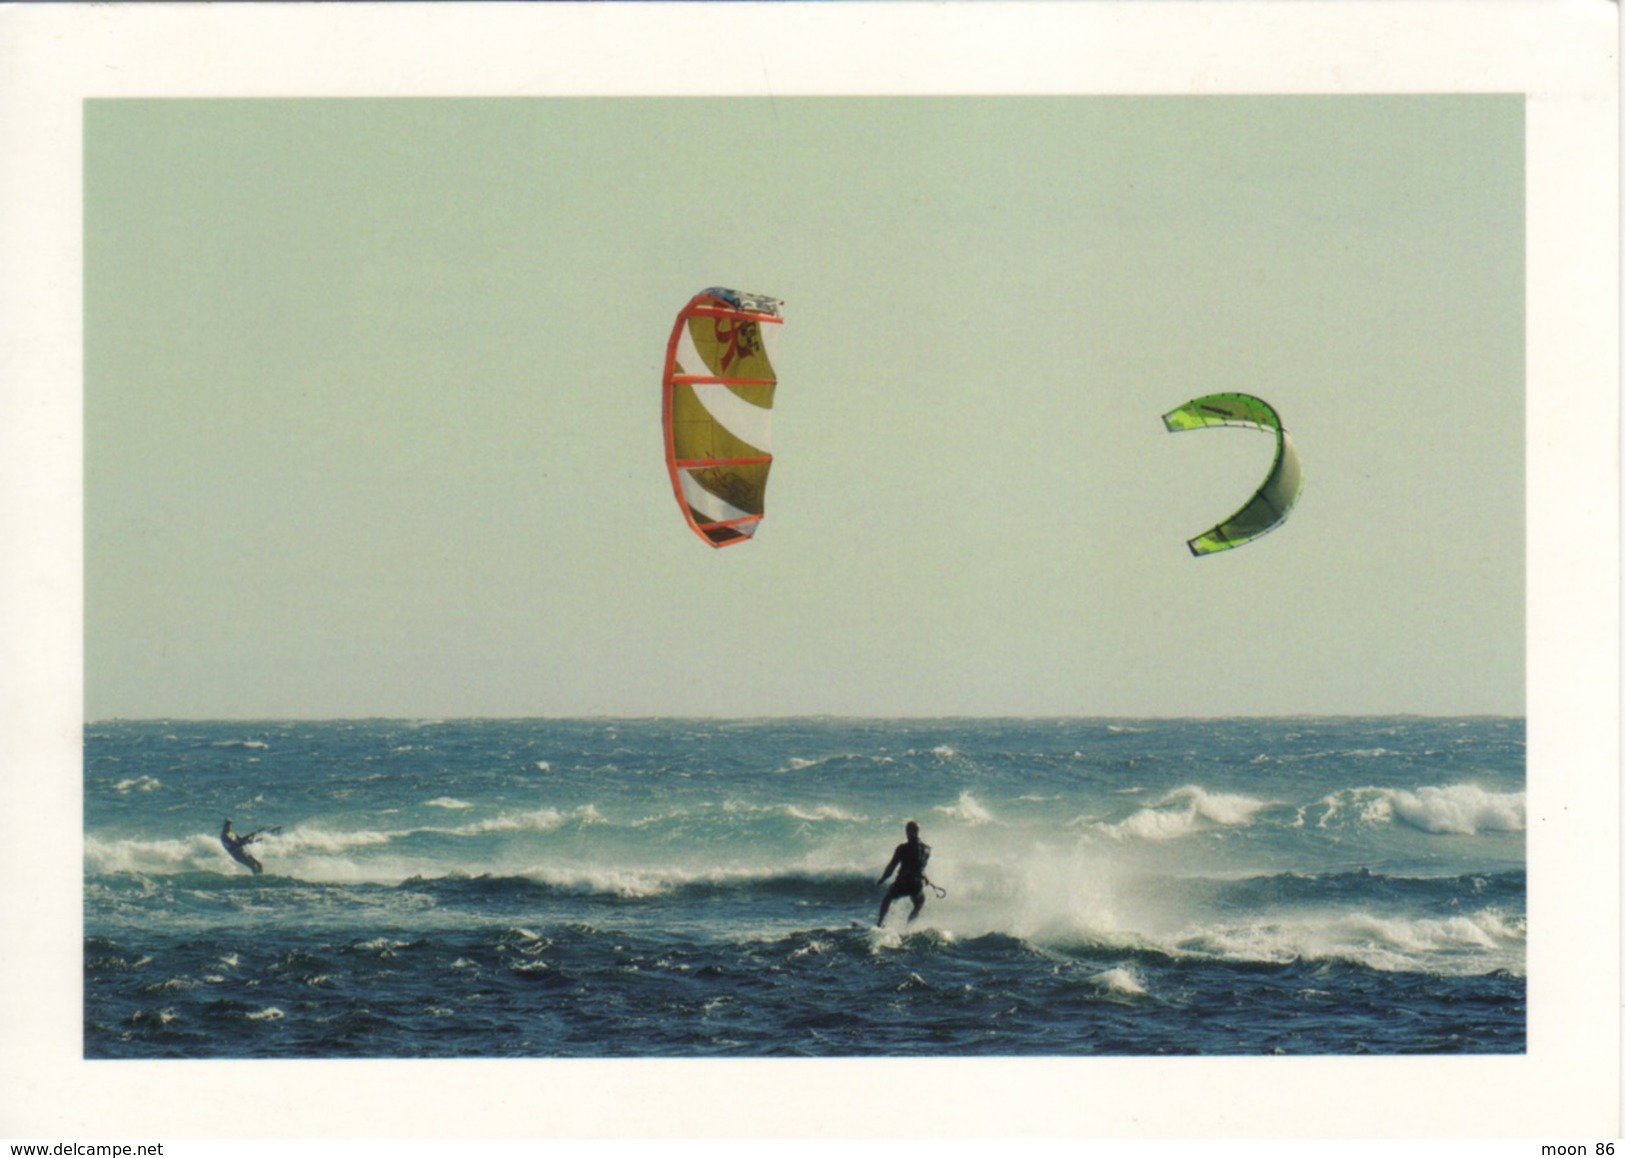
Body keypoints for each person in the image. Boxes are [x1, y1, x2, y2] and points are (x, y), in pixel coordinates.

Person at [876, 820, 932, 927]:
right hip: (917, 884)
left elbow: (892, 866)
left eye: (907, 831)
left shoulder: (902, 848)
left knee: (888, 898)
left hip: (904, 882)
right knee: (918, 904)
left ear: (910, 832)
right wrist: (926, 878)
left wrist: (883, 878)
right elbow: (921, 867)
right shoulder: (927, 849)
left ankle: (880, 922)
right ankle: (908, 928)